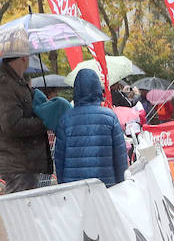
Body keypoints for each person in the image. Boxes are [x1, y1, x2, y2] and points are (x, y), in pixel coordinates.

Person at [54, 69, 129, 187]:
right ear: (98, 88)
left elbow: (59, 159)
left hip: (75, 190)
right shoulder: (110, 117)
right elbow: (120, 157)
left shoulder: (65, 120)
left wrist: (63, 185)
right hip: (105, 188)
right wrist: (121, 184)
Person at [0, 56, 52, 193]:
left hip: (23, 164)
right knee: (20, 211)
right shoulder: (7, 85)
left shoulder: (16, 83)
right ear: (23, 58)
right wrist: (44, 122)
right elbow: (12, 125)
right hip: (17, 166)